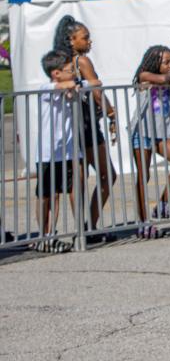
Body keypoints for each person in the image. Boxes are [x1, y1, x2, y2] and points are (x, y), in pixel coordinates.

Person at [52, 15, 116, 237]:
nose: (89, 42)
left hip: (72, 124)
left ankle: (83, 228)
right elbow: (96, 93)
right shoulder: (81, 62)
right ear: (71, 40)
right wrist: (111, 113)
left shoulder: (62, 62)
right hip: (86, 125)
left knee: (78, 179)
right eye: (85, 38)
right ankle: (89, 226)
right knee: (107, 175)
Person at [130, 45, 170, 237]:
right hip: (142, 131)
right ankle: (143, 221)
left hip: (160, 133)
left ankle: (161, 205)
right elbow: (165, 79)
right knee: (143, 175)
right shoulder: (144, 75)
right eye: (167, 62)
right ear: (156, 63)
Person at [34, 50, 81, 253]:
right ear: (56, 73)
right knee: (46, 194)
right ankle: (44, 235)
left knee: (61, 192)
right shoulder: (47, 88)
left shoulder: (69, 86)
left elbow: (93, 84)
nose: (74, 73)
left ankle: (54, 233)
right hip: (47, 151)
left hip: (66, 151)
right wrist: (74, 84)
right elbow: (66, 85)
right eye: (70, 70)